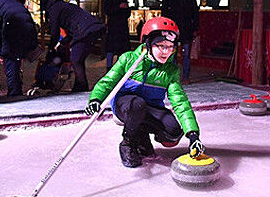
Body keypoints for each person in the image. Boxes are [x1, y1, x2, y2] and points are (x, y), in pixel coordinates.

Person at [84, 17, 204, 168]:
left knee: (172, 133)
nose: (166, 52)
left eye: (170, 46)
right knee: (137, 105)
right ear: (148, 43)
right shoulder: (128, 59)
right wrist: (96, 99)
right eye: (160, 45)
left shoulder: (170, 71)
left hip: (149, 107)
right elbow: (107, 82)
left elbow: (180, 102)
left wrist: (193, 134)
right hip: (125, 106)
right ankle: (128, 143)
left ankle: (141, 136)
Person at [42, 0, 106, 92]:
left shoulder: (54, 9)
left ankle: (82, 86)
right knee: (79, 58)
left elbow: (54, 33)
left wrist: (50, 50)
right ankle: (79, 84)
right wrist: (62, 42)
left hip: (85, 30)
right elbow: (71, 31)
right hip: (94, 27)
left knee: (75, 58)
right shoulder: (64, 6)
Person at [161, 0, 199, 85]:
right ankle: (174, 77)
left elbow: (194, 10)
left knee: (186, 53)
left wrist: (195, 27)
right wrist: (165, 27)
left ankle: (185, 76)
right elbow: (164, 10)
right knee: (172, 54)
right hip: (173, 29)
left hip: (186, 28)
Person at [105, 0, 131, 70]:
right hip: (116, 27)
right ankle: (111, 67)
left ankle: (118, 67)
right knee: (113, 49)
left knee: (117, 49)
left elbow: (127, 13)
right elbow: (108, 11)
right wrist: (119, 7)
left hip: (119, 27)